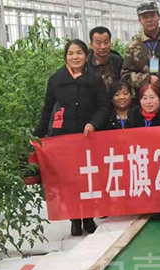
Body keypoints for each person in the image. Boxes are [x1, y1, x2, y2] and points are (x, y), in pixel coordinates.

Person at [35, 39, 109, 237]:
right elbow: (48, 108)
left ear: (86, 56)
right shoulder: (56, 79)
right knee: (69, 179)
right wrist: (38, 135)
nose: (75, 57)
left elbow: (104, 106)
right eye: (71, 53)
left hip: (88, 138)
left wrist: (94, 123)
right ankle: (74, 219)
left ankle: (88, 218)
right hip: (64, 138)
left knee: (88, 178)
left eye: (79, 53)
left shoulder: (95, 79)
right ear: (65, 57)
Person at [121, 1, 160, 91]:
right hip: (146, 96)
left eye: (152, 16)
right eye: (144, 17)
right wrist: (147, 79)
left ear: (159, 17)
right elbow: (125, 75)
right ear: (139, 20)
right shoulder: (134, 46)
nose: (149, 20)